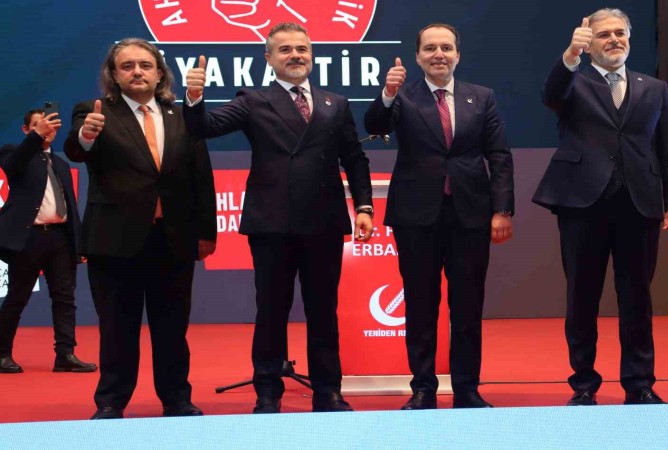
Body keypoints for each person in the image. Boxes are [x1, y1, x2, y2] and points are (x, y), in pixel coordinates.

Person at [183, 22, 373, 414]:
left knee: (323, 312)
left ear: (312, 55)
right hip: (272, 224)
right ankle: (267, 392)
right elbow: (203, 127)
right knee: (271, 311)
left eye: (302, 48)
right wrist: (195, 97)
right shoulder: (253, 100)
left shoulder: (335, 103)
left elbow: (354, 157)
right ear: (269, 58)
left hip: (323, 222)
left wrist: (365, 206)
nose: (295, 55)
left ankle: (328, 391)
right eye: (285, 50)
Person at [533, 9, 668, 406]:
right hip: (582, 203)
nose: (614, 39)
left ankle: (639, 383)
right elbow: (551, 94)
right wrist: (571, 54)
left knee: (638, 298)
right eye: (604, 35)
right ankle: (584, 384)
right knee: (581, 297)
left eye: (620, 33)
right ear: (590, 43)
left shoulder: (655, 88)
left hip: (640, 204)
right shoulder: (574, 81)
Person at [63, 38, 217, 419]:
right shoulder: (95, 112)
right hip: (115, 241)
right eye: (127, 66)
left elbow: (201, 175)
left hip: (173, 239)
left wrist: (206, 232)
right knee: (117, 329)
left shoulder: (181, 115)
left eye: (145, 65)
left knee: (173, 328)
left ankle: (177, 399)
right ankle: (111, 402)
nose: (137, 72)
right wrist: (87, 135)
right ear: (113, 75)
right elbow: (76, 150)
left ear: (159, 74)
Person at [364, 23, 514, 410]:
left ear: (458, 55)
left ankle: (467, 389)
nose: (438, 54)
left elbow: (499, 155)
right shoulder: (403, 96)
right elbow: (375, 125)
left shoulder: (482, 97)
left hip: (470, 215)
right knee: (420, 305)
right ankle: (423, 388)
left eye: (446, 47)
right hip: (416, 216)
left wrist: (502, 209)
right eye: (430, 48)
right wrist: (387, 93)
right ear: (418, 57)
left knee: (468, 307)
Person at [0, 109, 96, 374]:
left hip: (60, 238)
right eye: (38, 125)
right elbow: (13, 165)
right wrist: (35, 137)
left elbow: (71, 206)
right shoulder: (14, 153)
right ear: (26, 130)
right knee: (17, 297)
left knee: (65, 298)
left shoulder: (61, 164)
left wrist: (79, 243)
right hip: (28, 238)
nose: (46, 129)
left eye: (50, 125)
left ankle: (65, 354)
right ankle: (2, 353)